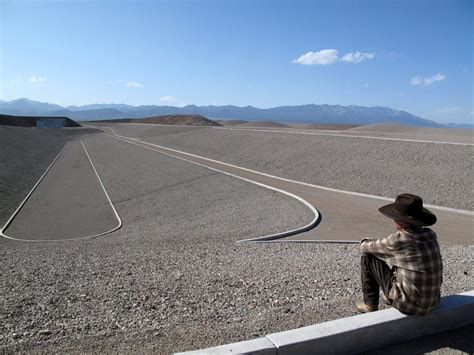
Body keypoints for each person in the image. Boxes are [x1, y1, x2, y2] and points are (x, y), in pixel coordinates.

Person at [356, 193, 443, 315]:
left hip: (408, 305)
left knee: (368, 257)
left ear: (400, 221)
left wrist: (368, 240)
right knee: (401, 262)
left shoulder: (400, 240)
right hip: (433, 302)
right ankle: (390, 296)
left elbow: (365, 247)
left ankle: (369, 304)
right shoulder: (430, 235)